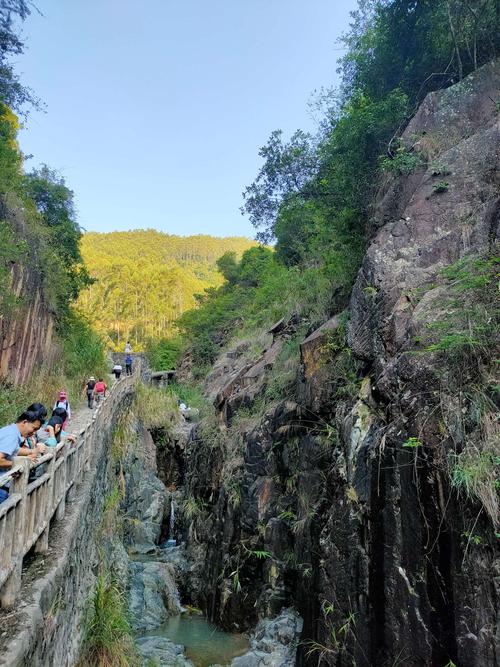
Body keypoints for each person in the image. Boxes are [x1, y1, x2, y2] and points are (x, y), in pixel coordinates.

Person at [0, 411, 47, 502]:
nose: (33, 433)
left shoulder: (10, 430)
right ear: (24, 422)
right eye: (34, 428)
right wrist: (19, 465)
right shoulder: (12, 435)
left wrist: (31, 453)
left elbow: (14, 450)